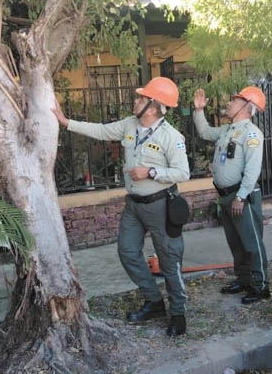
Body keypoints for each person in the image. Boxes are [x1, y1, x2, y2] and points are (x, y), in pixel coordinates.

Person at [51, 76, 191, 337]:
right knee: (127, 252)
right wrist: (66, 123)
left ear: (153, 106)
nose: (135, 100)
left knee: (169, 261)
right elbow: (102, 131)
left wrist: (150, 172)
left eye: (140, 98)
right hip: (134, 206)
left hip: (160, 206)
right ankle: (154, 301)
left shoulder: (172, 137)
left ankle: (178, 312)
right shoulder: (130, 125)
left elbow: (183, 172)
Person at [192, 86, 270, 304]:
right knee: (236, 243)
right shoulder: (228, 130)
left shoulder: (252, 134)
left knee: (252, 243)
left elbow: (253, 169)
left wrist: (241, 196)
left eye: (234, 101)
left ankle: (261, 285)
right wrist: (199, 111)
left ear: (246, 107)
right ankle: (244, 280)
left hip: (241, 197)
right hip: (226, 196)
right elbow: (205, 132)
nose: (228, 103)